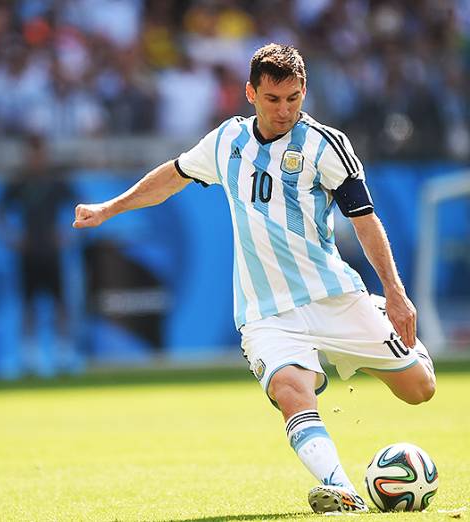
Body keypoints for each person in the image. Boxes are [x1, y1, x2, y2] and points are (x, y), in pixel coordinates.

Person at [72, 43, 436, 514]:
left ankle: (379, 324)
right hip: (265, 311)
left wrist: (396, 294)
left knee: (420, 390)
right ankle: (340, 488)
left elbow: (365, 221)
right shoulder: (226, 142)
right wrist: (109, 207)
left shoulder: (327, 147)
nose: (284, 110)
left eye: (293, 99)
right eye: (272, 99)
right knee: (290, 390)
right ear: (250, 93)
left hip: (332, 295)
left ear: (304, 92)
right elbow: (172, 176)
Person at [0, 134, 78, 375]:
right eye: (32, 154)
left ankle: (62, 354)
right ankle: (29, 357)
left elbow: (80, 204)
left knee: (60, 304)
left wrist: (67, 234)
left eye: (40, 153)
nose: (36, 159)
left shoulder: (56, 181)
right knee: (28, 305)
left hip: (52, 253)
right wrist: (10, 237)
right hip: (29, 253)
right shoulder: (19, 183)